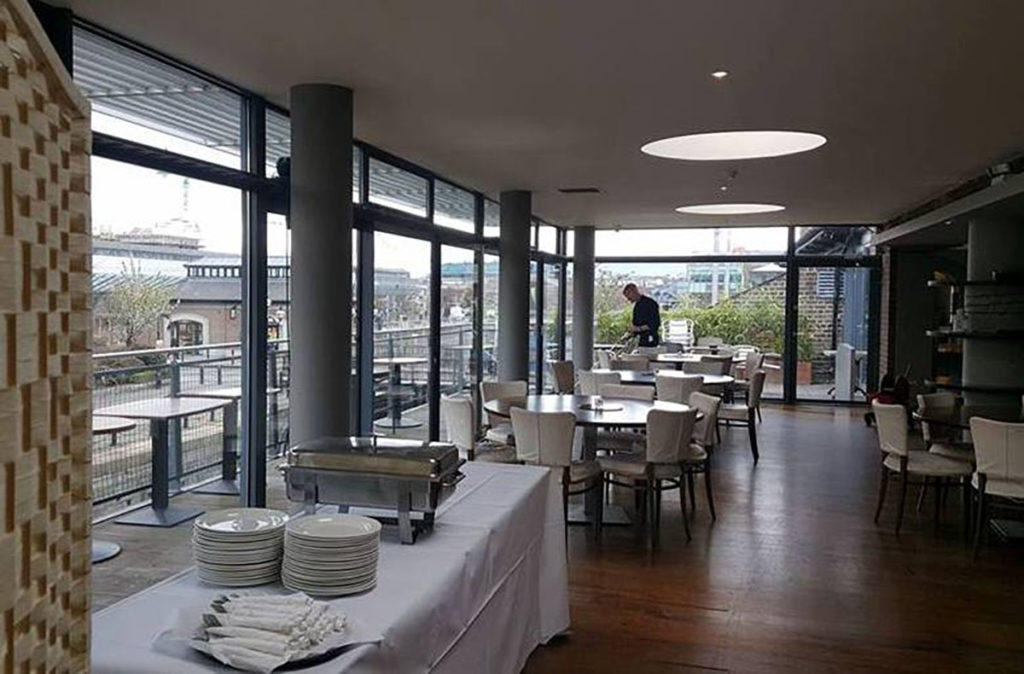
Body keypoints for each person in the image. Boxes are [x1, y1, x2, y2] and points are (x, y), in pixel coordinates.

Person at [622, 283, 661, 347]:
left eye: (628, 296)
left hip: (650, 339)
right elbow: (636, 323)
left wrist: (638, 329)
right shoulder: (637, 306)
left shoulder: (650, 303)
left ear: (634, 291)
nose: (628, 299)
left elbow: (655, 323)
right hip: (640, 340)